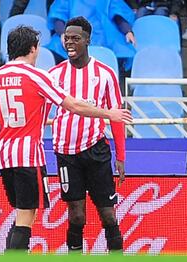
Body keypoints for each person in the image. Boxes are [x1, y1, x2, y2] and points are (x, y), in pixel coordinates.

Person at [0, 25, 132, 251]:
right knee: (26, 216)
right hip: (29, 156)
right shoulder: (38, 76)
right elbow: (72, 104)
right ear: (32, 49)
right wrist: (107, 113)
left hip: (5, 157)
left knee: (20, 213)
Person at [48, 16, 126, 253]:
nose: (69, 43)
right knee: (77, 216)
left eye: (75, 38)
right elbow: (39, 112)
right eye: (67, 38)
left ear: (88, 40)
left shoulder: (105, 74)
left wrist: (120, 157)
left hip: (96, 151)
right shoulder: (53, 75)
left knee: (108, 216)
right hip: (65, 154)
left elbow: (116, 117)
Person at [47, 0, 136, 70]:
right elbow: (58, 16)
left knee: (123, 49)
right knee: (56, 48)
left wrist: (127, 31)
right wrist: (63, 33)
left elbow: (118, 15)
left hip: (104, 36)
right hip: (74, 34)